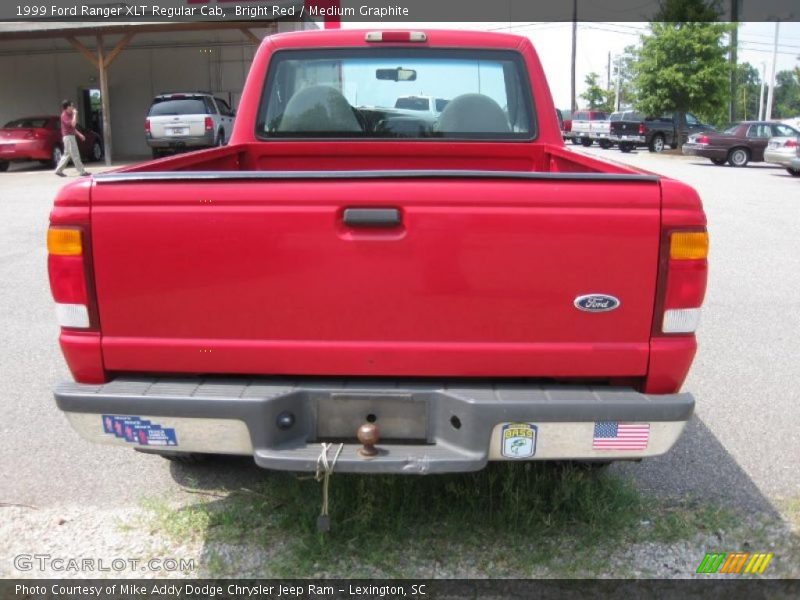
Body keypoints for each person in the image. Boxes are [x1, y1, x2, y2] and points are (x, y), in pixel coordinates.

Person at [54, 100, 89, 177]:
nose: (73, 107)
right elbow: (73, 124)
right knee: (75, 154)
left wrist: (80, 134)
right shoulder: (64, 115)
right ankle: (82, 171)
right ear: (67, 107)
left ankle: (58, 170)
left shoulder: (69, 114)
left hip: (70, 136)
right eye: (71, 105)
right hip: (68, 137)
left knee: (67, 155)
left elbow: (73, 128)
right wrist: (75, 114)